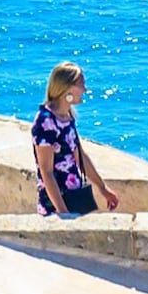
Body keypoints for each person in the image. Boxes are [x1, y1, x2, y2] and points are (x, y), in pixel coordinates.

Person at [31, 63, 115, 217]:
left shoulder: (66, 116)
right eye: (81, 84)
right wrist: (63, 213)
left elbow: (79, 155)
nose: (85, 90)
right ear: (67, 88)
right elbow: (46, 172)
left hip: (74, 198)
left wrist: (102, 188)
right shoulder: (45, 122)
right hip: (56, 206)